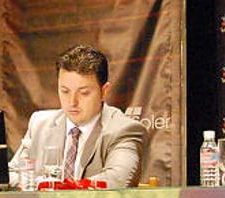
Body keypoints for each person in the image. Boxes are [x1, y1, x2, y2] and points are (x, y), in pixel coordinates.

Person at [8, 44, 145, 189]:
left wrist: (61, 188)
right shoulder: (40, 124)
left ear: (104, 91)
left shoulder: (124, 130)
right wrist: (44, 185)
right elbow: (10, 174)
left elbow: (117, 180)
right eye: (65, 91)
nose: (72, 102)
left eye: (84, 92)